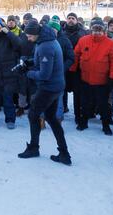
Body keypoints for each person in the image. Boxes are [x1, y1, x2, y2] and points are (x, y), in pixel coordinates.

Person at [17, 23, 72, 165]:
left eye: (29, 36)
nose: (28, 39)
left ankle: (34, 148)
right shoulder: (47, 40)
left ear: (36, 33)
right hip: (56, 86)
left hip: (49, 88)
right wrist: (29, 63)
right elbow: (42, 63)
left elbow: (44, 74)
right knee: (51, 118)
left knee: (33, 114)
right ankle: (64, 153)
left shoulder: (45, 47)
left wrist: (27, 73)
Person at [72, 19, 113, 134]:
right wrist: (73, 71)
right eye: (94, 30)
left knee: (104, 105)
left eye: (99, 30)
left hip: (102, 81)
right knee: (85, 103)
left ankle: (105, 125)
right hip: (85, 79)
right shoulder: (83, 40)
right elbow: (76, 55)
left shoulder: (111, 43)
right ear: (91, 30)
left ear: (104, 31)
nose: (97, 32)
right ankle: (83, 122)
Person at [49, 18, 75, 121]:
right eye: (50, 28)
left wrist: (62, 68)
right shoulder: (42, 39)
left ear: (58, 29)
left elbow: (71, 57)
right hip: (46, 73)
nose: (52, 30)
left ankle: (58, 118)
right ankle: (43, 118)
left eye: (54, 29)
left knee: (58, 97)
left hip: (59, 75)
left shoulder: (64, 40)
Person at [63, 12, 86, 115]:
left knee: (78, 90)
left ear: (77, 20)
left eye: (73, 18)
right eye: (69, 18)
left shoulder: (83, 32)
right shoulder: (61, 32)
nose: (70, 20)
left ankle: (78, 111)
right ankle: (63, 107)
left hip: (78, 66)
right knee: (63, 88)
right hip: (64, 64)